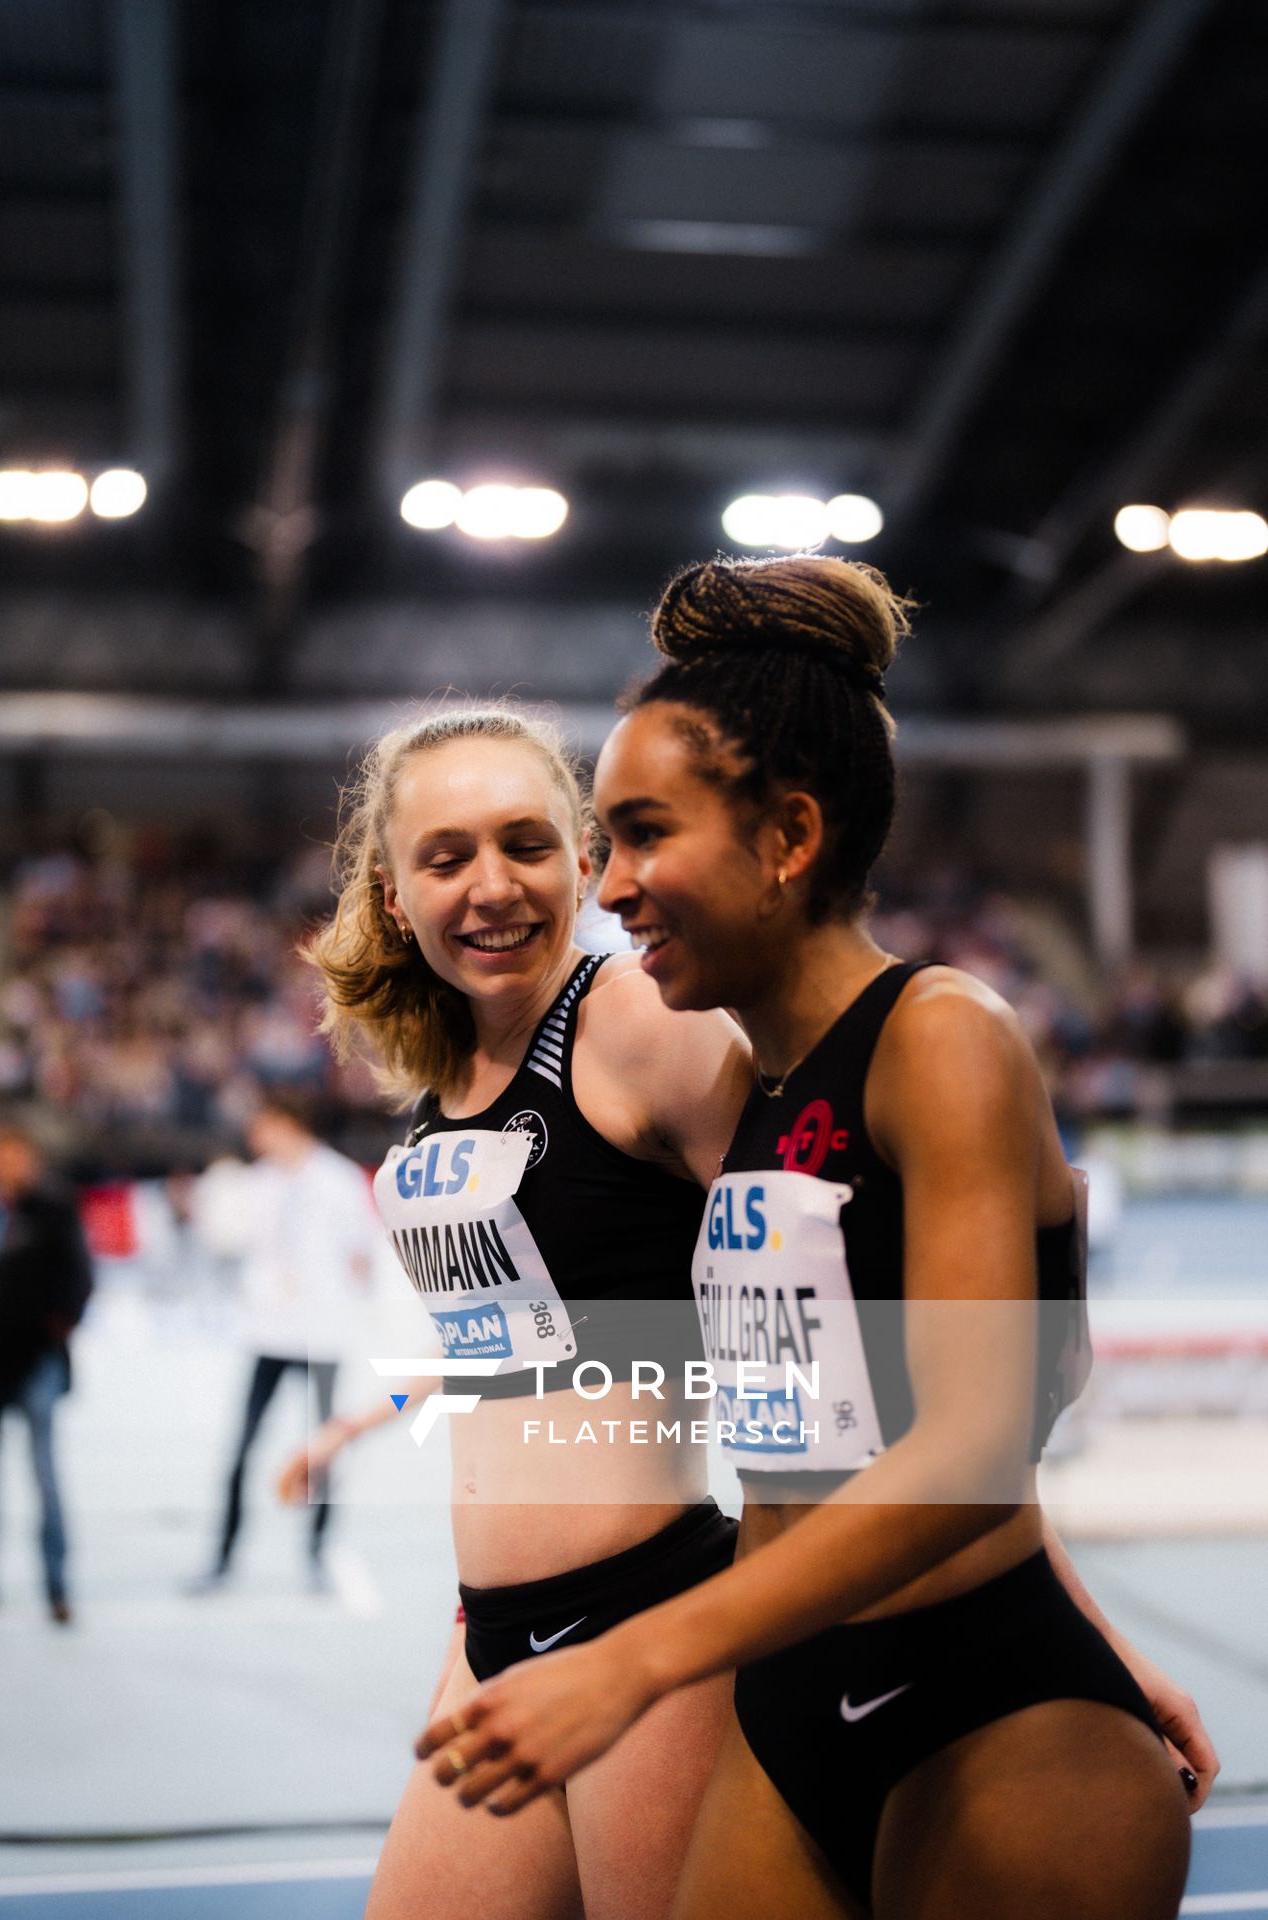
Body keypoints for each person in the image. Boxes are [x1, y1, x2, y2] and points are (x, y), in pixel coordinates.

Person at [415, 559, 1217, 1920]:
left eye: (642, 835)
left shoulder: (945, 1037)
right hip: (788, 1710)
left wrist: (631, 1661)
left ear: (788, 837)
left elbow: (966, 1458)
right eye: (604, 842)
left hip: (989, 1708)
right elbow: (817, 1427)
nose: (611, 887)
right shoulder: (762, 1097)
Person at [301, 704, 750, 1920]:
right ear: (394, 894)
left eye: (526, 845)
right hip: (489, 1630)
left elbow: (852, 1303)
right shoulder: (443, 1090)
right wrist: (358, 1423)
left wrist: (1044, 1619)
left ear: (583, 861)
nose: (491, 887)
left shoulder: (642, 1029)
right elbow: (509, 1359)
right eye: (446, 858)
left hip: (645, 1625)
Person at [188, 1090, 381, 1591]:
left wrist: (337, 1304)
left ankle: (317, 1551)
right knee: (244, 1445)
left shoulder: (337, 1180)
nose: (255, 1137)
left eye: (263, 1126)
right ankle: (224, 1554)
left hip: (321, 1337)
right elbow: (234, 1244)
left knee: (324, 1447)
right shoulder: (257, 1183)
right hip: (269, 1334)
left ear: (288, 1123)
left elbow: (363, 1254)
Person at [0, 1121, 93, 1622]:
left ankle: (56, 1583)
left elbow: (79, 1276)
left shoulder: (51, 1207)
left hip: (36, 1360)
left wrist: (55, 1330)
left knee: (44, 1474)